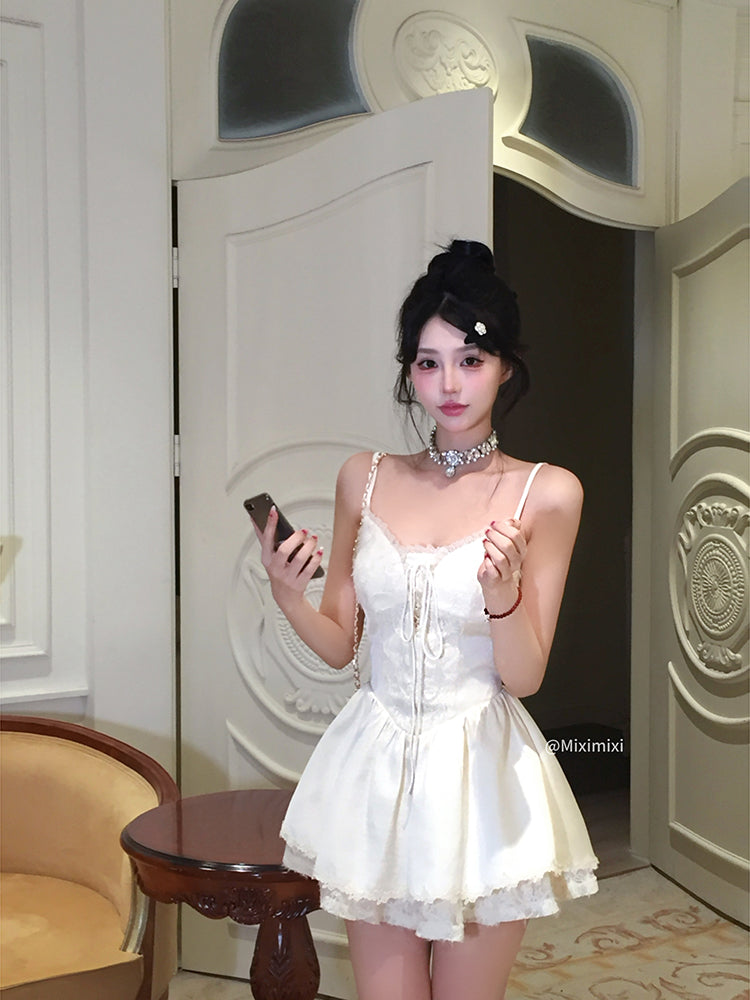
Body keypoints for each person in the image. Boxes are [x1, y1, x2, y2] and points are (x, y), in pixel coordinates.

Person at [253, 240, 598, 1000]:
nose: (449, 384)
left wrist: (503, 595)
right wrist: (288, 595)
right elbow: (342, 645)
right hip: (376, 774)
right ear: (408, 370)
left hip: (481, 781)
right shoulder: (364, 477)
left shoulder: (548, 494)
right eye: (428, 362)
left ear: (505, 367)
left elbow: (524, 676)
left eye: (471, 360)